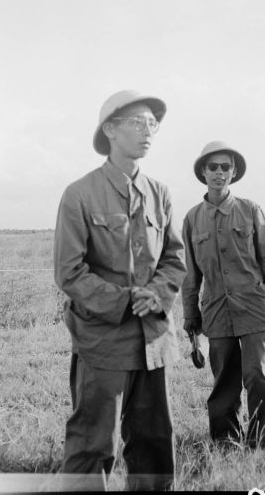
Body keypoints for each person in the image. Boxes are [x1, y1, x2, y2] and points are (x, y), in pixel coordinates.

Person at [53, 90, 186, 491]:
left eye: (153, 124)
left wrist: (159, 293)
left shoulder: (160, 192)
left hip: (154, 339)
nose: (148, 132)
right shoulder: (79, 194)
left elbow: (174, 259)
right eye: (137, 122)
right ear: (110, 130)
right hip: (103, 340)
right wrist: (127, 299)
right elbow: (69, 272)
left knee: (153, 444)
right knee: (93, 445)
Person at [181, 141, 265, 450]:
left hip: (255, 306)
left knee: (258, 378)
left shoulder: (250, 210)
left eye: (225, 167)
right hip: (216, 310)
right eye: (212, 167)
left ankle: (260, 447)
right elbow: (190, 274)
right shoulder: (192, 219)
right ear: (203, 172)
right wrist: (190, 315)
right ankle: (226, 444)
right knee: (224, 382)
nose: (219, 172)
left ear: (233, 173)